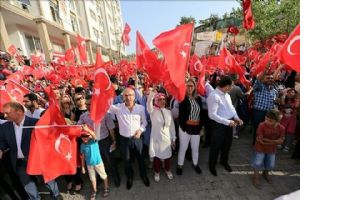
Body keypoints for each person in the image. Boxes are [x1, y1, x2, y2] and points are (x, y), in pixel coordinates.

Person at [0, 102, 62, 200]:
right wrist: (1, 149)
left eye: (7, 113)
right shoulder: (4, 127)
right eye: (4, 113)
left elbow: (48, 138)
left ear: (19, 111)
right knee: (27, 184)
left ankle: (55, 194)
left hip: (37, 159)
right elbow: (2, 141)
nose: (4, 115)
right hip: (19, 162)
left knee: (47, 179)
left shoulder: (36, 123)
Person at [108, 88, 149, 190]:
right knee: (126, 160)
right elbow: (105, 107)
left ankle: (143, 175)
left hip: (137, 138)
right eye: (126, 95)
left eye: (130, 95)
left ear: (134, 96)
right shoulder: (117, 108)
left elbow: (145, 122)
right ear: (122, 97)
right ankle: (129, 177)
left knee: (140, 158)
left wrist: (140, 130)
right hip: (124, 139)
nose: (128, 97)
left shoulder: (140, 108)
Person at [77, 95, 120, 187]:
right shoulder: (83, 116)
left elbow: (111, 129)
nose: (89, 106)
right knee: (96, 162)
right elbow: (78, 127)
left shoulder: (105, 114)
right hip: (92, 143)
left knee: (110, 160)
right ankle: (101, 178)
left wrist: (114, 141)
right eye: (87, 104)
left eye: (91, 104)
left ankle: (115, 176)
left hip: (105, 141)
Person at [207, 75, 244, 176]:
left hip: (229, 123)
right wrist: (227, 122)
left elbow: (231, 108)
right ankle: (212, 165)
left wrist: (236, 117)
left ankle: (224, 162)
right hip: (219, 125)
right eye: (231, 86)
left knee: (227, 145)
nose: (232, 88)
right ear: (227, 86)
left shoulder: (227, 94)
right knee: (216, 146)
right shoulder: (214, 96)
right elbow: (212, 115)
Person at [251, 109, 285, 189]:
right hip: (260, 148)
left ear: (277, 121)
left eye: (270, 120)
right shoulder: (261, 125)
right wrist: (275, 141)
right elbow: (260, 140)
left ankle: (265, 173)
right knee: (257, 163)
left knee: (270, 164)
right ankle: (255, 177)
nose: (267, 121)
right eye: (266, 118)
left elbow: (281, 140)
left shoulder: (281, 128)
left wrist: (268, 141)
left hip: (272, 150)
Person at [147, 90, 176, 182]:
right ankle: (157, 172)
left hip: (167, 138)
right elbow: (148, 103)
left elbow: (172, 126)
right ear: (156, 101)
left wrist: (173, 138)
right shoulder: (153, 112)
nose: (162, 101)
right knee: (157, 157)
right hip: (156, 138)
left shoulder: (168, 112)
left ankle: (167, 170)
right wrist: (152, 92)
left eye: (164, 99)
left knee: (167, 156)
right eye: (159, 99)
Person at [176, 78, 203, 176]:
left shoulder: (198, 99)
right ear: (185, 87)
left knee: (195, 148)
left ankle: (195, 164)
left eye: (192, 86)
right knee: (183, 148)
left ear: (195, 87)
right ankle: (180, 165)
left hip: (196, 127)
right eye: (188, 86)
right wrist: (184, 128)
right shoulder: (182, 98)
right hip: (185, 127)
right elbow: (181, 115)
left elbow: (201, 115)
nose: (190, 88)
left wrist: (201, 128)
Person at [80, 124, 109, 200]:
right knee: (92, 179)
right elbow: (82, 157)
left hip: (98, 163)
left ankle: (106, 188)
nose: (85, 138)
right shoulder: (82, 145)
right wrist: (83, 167)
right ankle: (94, 191)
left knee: (103, 176)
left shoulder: (94, 141)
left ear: (90, 136)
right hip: (89, 165)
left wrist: (88, 130)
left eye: (86, 136)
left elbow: (94, 135)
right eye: (83, 136)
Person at [251, 71, 278, 145]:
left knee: (267, 129)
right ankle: (256, 144)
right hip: (258, 112)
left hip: (269, 114)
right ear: (263, 79)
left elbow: (275, 102)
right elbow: (258, 80)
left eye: (272, 78)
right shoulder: (259, 87)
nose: (270, 79)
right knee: (258, 128)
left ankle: (264, 143)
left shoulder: (274, 90)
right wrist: (265, 70)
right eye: (268, 78)